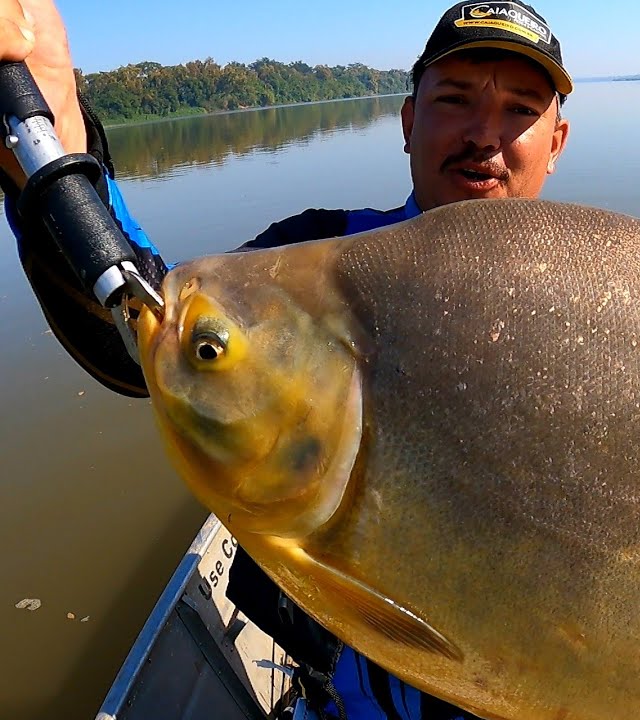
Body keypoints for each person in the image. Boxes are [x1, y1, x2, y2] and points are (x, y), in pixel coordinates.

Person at [0, 1, 571, 718]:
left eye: (520, 109)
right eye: (454, 100)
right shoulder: (307, 268)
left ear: (556, 143)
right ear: (406, 122)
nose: (484, 135)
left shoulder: (606, 311)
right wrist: (50, 151)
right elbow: (155, 332)